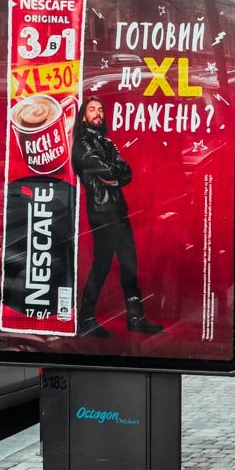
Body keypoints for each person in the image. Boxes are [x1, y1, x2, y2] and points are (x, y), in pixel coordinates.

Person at [72, 97, 163, 337]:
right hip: (101, 211)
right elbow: (105, 170)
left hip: (117, 210)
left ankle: (135, 318)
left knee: (128, 263)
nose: (97, 113)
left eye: (100, 109)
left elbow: (126, 173)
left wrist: (113, 176)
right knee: (103, 264)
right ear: (83, 117)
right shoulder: (82, 143)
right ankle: (87, 319)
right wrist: (113, 174)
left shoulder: (107, 143)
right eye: (92, 109)